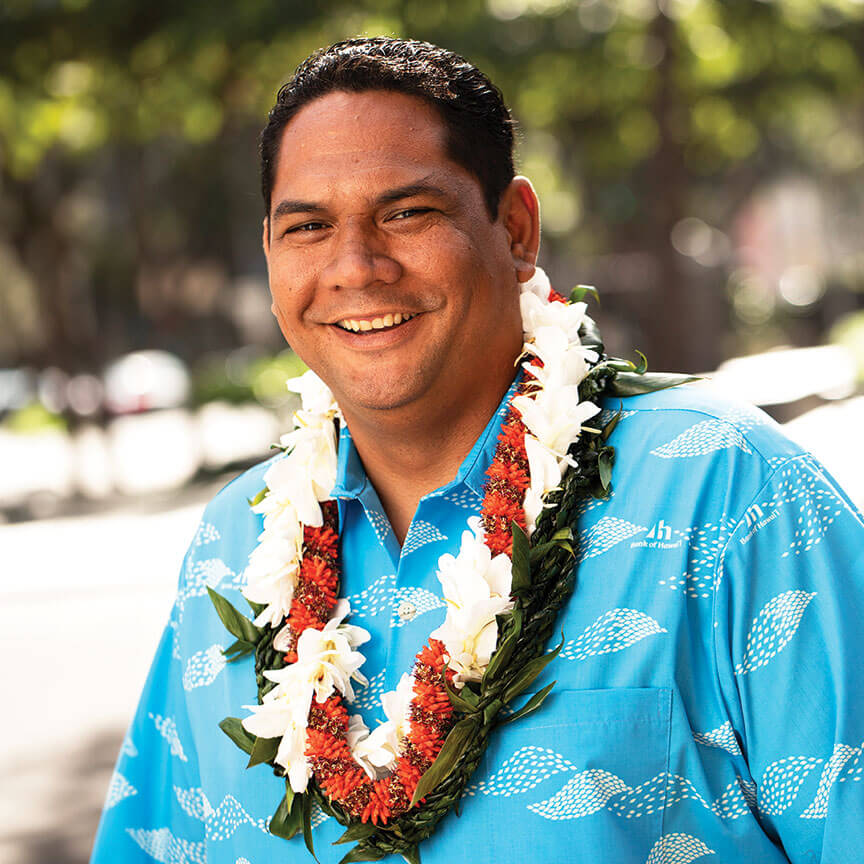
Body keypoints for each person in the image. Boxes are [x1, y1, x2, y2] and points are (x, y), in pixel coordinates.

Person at [90, 37, 864, 864]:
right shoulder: (231, 544)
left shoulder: (727, 487)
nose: (356, 266)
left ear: (517, 229)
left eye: (407, 213)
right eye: (308, 226)